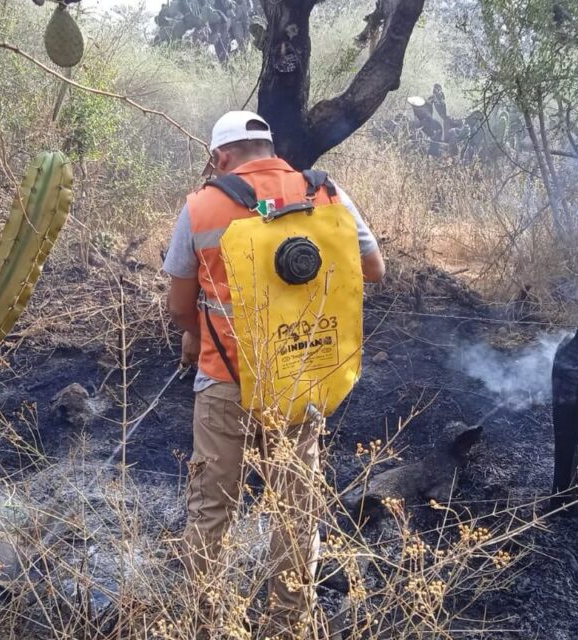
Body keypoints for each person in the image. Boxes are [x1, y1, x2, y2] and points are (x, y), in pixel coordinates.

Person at [162, 110, 385, 637]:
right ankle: (287, 624)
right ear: (270, 147)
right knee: (296, 510)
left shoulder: (202, 206)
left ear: (221, 156)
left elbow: (177, 306)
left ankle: (207, 623)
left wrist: (197, 333)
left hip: (226, 381)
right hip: (300, 378)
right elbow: (374, 269)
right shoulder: (325, 192)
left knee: (212, 509)